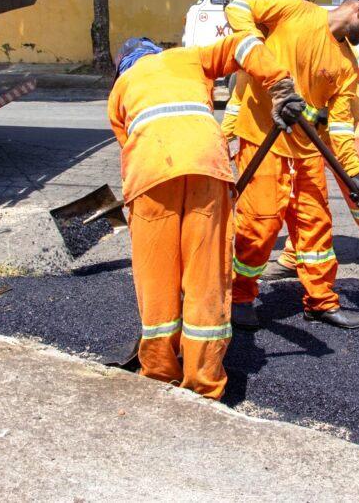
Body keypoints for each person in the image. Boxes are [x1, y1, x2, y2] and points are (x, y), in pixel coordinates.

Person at [107, 34, 302, 400]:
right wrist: (280, 84)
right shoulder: (189, 57)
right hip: (207, 166)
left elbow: (127, 145)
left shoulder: (120, 90)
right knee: (205, 279)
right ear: (156, 53)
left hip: (150, 172)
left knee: (158, 281)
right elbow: (244, 44)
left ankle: (160, 372)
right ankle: (204, 382)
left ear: (123, 66)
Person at [227, 0, 359, 331]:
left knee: (315, 230)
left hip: (306, 152)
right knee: (258, 226)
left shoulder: (347, 66)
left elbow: (339, 127)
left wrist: (354, 174)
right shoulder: (295, 11)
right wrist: (254, 48)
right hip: (263, 143)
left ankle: (321, 302)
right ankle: (239, 297)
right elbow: (238, 8)